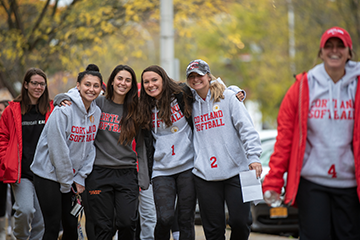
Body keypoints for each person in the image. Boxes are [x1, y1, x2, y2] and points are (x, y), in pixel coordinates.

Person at [262, 26, 360, 239]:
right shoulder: (302, 87)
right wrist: (273, 181)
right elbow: (285, 138)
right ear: (321, 52)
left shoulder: (358, 84)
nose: (334, 51)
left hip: (351, 185)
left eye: (340, 46)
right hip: (313, 184)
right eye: (329, 46)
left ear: (349, 52)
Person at [54, 64, 148, 239]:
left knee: (127, 222)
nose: (123, 83)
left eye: (128, 80)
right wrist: (60, 99)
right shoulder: (98, 103)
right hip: (99, 173)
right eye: (119, 78)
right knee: (103, 226)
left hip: (126, 173)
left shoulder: (136, 109)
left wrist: (142, 176)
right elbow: (74, 98)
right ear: (111, 81)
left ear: (132, 85)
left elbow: (142, 146)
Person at [186, 59, 262, 240]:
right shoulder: (188, 104)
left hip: (235, 172)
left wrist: (253, 157)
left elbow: (246, 128)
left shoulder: (228, 97)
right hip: (205, 175)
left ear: (208, 76)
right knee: (213, 230)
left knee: (241, 222)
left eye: (199, 75)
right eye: (192, 76)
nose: (196, 79)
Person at [30, 64, 102, 240]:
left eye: (96, 86)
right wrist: (66, 182)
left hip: (71, 178)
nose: (91, 89)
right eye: (87, 84)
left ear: (101, 89)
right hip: (48, 174)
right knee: (53, 226)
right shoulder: (63, 110)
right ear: (78, 85)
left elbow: (90, 146)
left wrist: (80, 177)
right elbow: (58, 149)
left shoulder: (97, 112)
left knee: (71, 225)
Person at [0, 68, 54, 240]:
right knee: (25, 210)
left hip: (45, 173)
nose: (38, 87)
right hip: (21, 172)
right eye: (34, 83)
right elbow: (3, 138)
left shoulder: (51, 109)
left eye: (42, 84)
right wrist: (5, 161)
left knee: (40, 220)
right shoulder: (11, 110)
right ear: (26, 84)